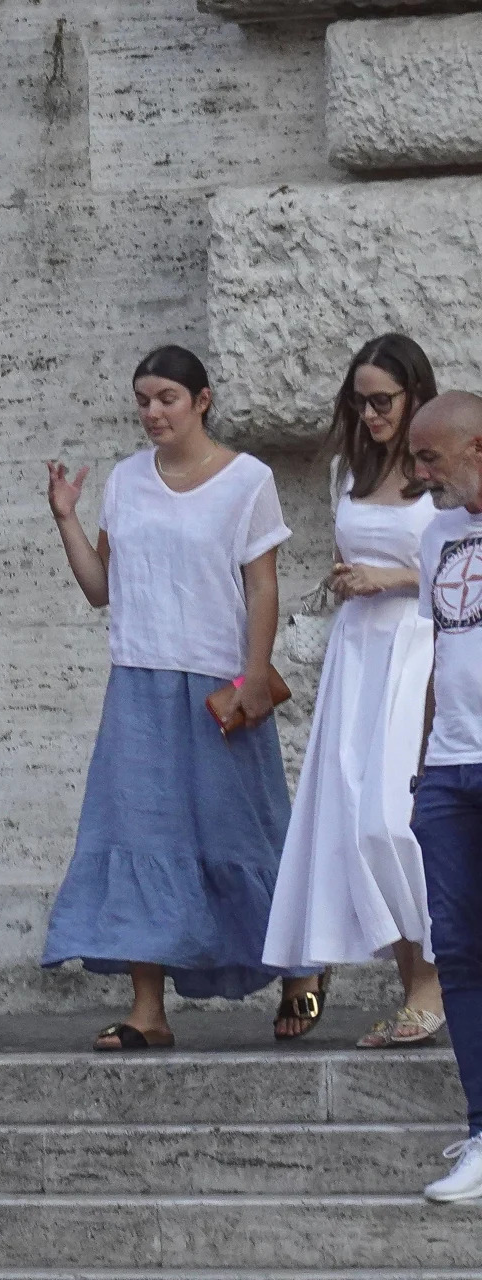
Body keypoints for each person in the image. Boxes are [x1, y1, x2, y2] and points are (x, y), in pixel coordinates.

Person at [40, 344, 317, 1049]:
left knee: (243, 829)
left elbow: (262, 585)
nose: (152, 412)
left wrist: (255, 674)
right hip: (137, 679)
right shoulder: (128, 481)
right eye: (142, 400)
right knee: (139, 836)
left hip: (219, 683)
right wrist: (66, 517)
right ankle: (147, 1010)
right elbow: (102, 589)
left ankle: (299, 970)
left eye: (166, 397)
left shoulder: (248, 480)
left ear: (202, 400)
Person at [263, 334, 445, 1044]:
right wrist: (349, 579)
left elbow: (466, 565)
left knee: (392, 819)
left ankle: (432, 985)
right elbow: (350, 555)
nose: (370, 415)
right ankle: (416, 990)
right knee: (354, 822)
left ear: (415, 397)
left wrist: (390, 580)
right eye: (359, 401)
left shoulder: (443, 471)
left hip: (417, 649)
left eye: (382, 401)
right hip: (357, 653)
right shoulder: (348, 470)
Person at [408, 390, 482, 1202]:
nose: (420, 473)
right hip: (450, 769)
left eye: (432, 458)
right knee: (459, 952)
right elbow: (441, 649)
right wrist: (425, 762)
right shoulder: (438, 535)